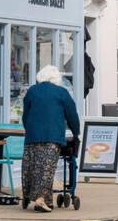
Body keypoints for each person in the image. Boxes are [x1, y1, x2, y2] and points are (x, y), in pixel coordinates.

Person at [22, 64, 82, 212]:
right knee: (46, 169)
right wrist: (76, 133)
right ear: (56, 78)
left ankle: (46, 201)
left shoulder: (32, 91)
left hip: (32, 136)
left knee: (32, 168)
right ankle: (41, 199)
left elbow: (25, 115)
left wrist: (29, 128)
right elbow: (72, 116)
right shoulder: (62, 92)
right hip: (52, 136)